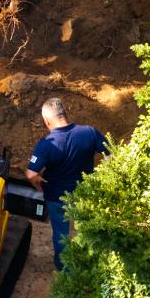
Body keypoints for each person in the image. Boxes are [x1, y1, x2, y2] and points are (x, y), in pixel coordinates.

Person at [25, 98, 108, 271]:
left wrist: (38, 184)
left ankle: (65, 271)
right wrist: (103, 176)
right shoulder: (89, 132)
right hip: (85, 193)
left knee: (62, 234)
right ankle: (90, 266)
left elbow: (31, 173)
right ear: (65, 114)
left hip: (57, 196)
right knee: (87, 229)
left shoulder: (46, 144)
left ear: (47, 121)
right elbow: (111, 153)